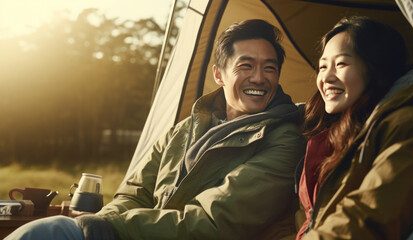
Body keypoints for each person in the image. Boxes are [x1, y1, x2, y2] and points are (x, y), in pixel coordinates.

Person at [6, 19, 305, 240]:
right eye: (246, 66)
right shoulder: (185, 130)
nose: (259, 78)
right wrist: (100, 220)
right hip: (141, 234)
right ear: (219, 74)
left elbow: (216, 220)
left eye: (269, 68)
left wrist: (112, 227)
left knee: (46, 234)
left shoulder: (282, 138)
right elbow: (135, 193)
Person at [295, 16, 413, 240]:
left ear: (376, 68)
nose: (326, 77)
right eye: (322, 66)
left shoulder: (408, 125)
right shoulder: (331, 136)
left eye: (341, 64)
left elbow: (367, 216)